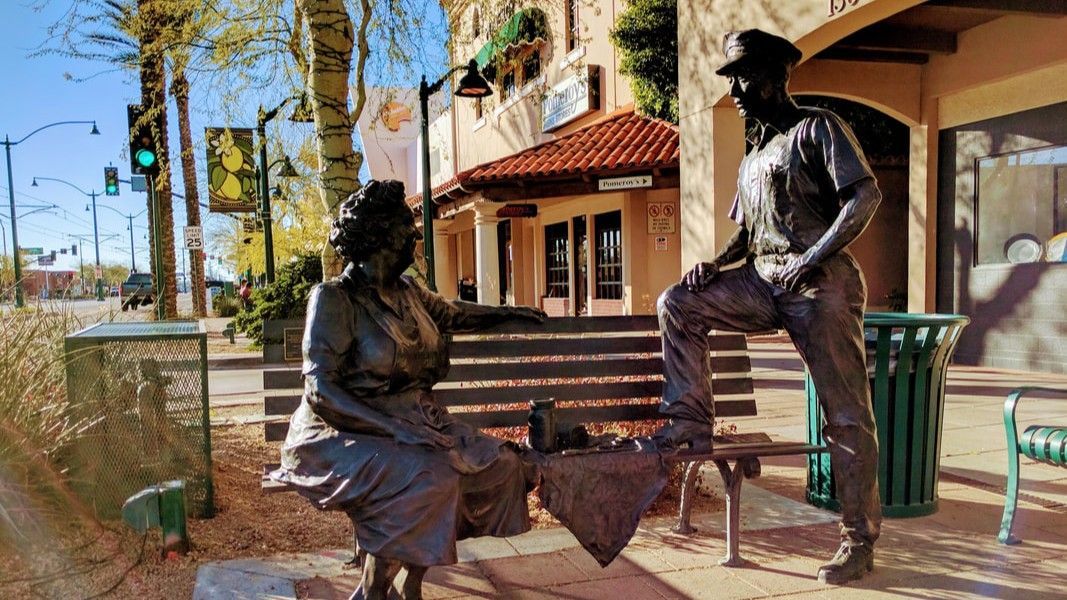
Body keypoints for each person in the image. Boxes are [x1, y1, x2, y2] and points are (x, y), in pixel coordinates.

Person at [655, 29, 883, 584]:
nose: (734, 89)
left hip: (819, 284)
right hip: (761, 281)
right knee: (678, 303)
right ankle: (690, 422)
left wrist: (815, 256)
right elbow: (748, 235)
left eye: (743, 75)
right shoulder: (754, 153)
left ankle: (859, 540)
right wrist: (715, 264)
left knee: (846, 413)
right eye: (730, 78)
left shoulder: (819, 128)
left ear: (776, 76)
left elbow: (865, 196)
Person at [269, 179, 546, 600]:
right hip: (341, 430)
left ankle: (408, 581)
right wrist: (393, 429)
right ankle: (373, 590)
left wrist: (511, 313)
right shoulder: (335, 299)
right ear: (380, 236)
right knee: (428, 477)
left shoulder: (408, 292)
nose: (414, 235)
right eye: (405, 226)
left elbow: (455, 314)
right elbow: (321, 390)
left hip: (413, 420)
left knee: (499, 464)